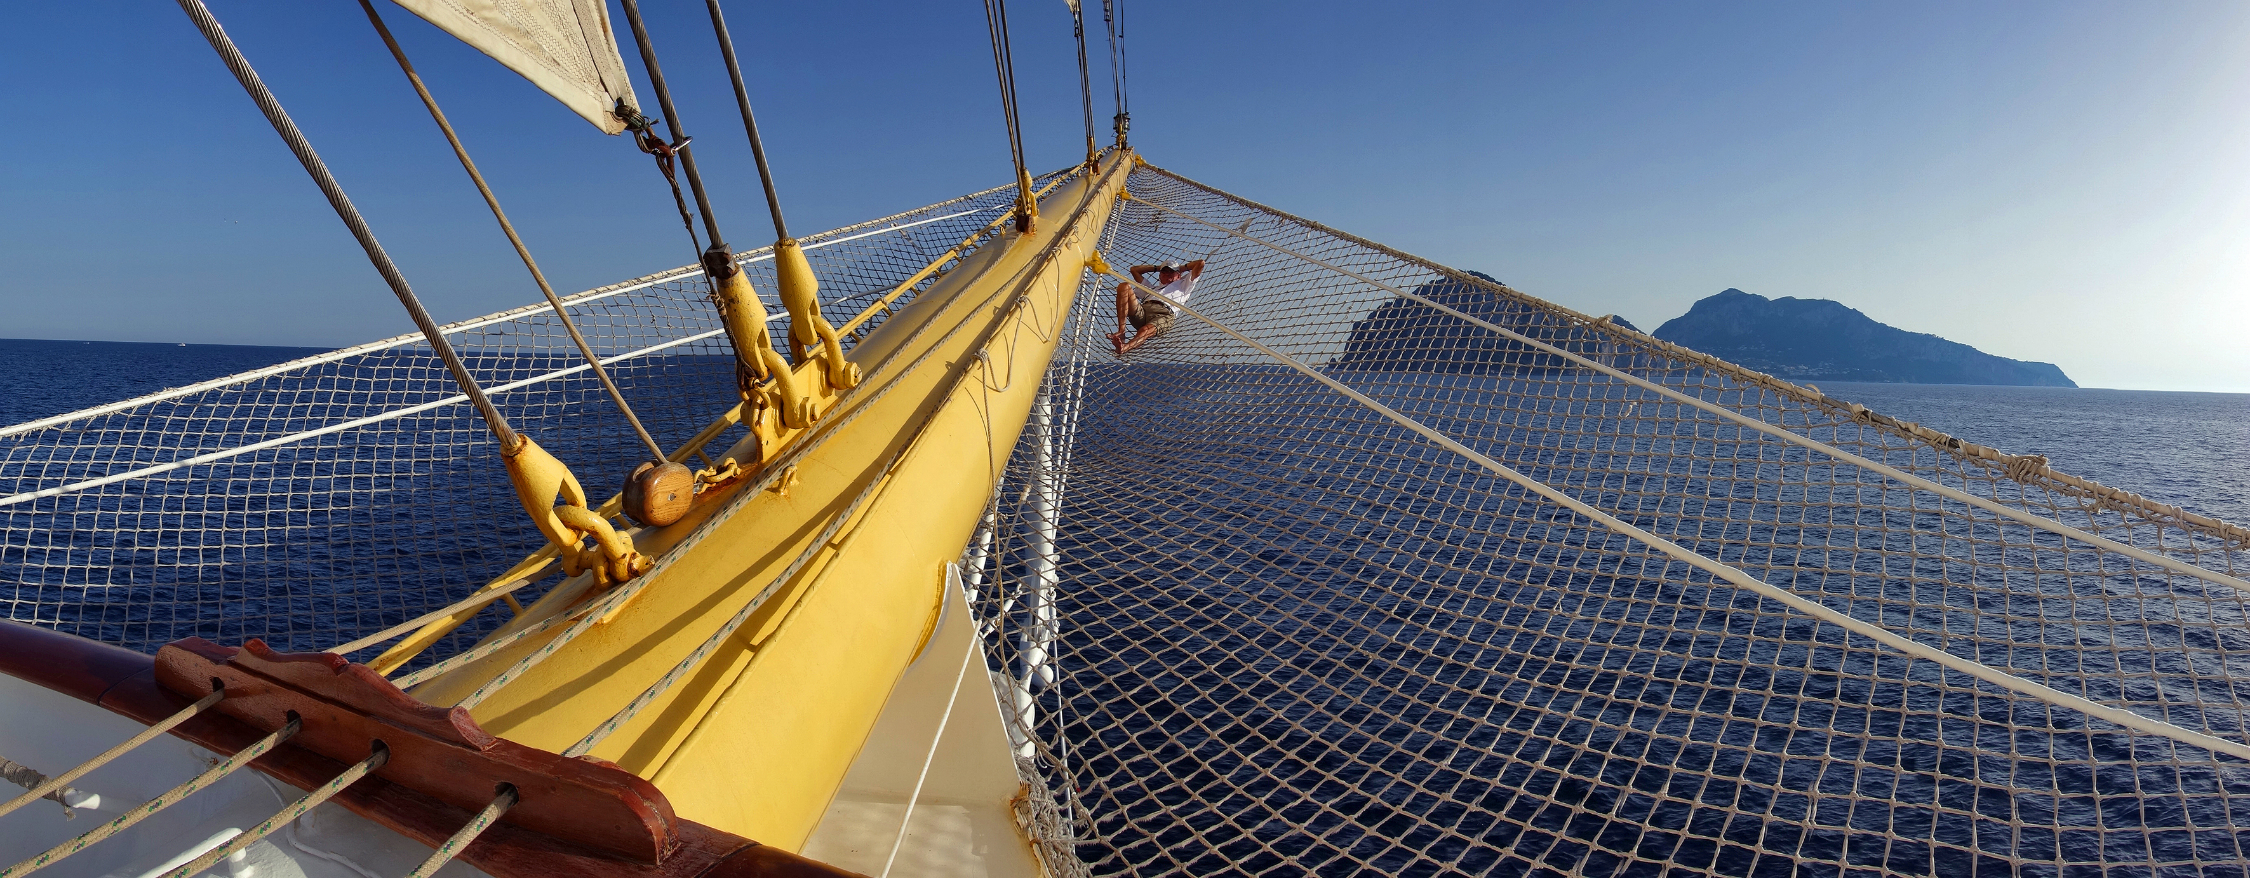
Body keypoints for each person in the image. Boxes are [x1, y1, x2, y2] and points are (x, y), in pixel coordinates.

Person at [1109, 259, 1205, 356]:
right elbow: (1134, 270)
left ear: (1179, 275)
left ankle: (1124, 347)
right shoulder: (1151, 289)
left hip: (1164, 314)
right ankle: (1121, 331)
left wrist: (1181, 268)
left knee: (1144, 330)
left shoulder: (1183, 285)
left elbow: (1200, 263)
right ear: (1159, 276)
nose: (1167, 274)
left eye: (1171, 271)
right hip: (1143, 311)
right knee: (1124, 286)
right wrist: (1159, 268)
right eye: (1164, 271)